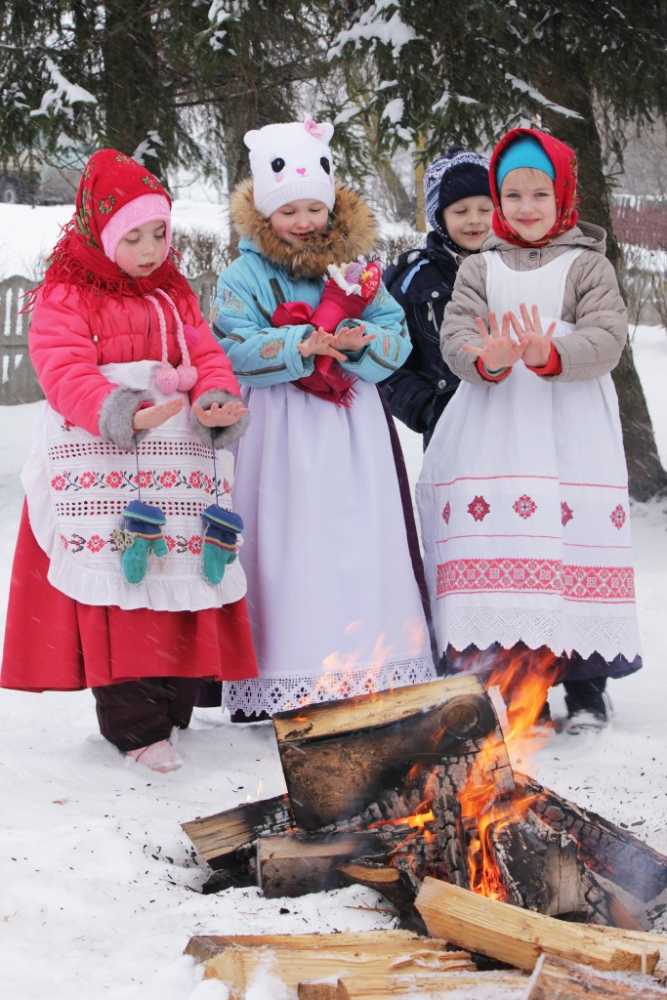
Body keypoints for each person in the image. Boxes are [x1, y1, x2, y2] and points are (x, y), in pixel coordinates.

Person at [0, 149, 258, 770]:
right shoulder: (68, 292)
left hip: (176, 464)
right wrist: (119, 408)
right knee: (122, 582)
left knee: (180, 575)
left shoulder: (174, 294)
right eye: (134, 237)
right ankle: (134, 725)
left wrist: (217, 397)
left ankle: (172, 706)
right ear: (100, 233)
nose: (150, 250)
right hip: (106, 462)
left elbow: (206, 355)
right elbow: (63, 369)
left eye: (160, 233)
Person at [416, 127, 642, 732]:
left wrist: (552, 350)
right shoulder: (480, 268)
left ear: (563, 195)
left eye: (538, 194)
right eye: (511, 196)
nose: (525, 208)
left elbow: (607, 338)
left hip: (570, 430)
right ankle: (523, 686)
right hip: (496, 429)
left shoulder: (588, 264)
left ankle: (587, 687)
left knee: (568, 555)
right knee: (510, 554)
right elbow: (457, 336)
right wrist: (485, 357)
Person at [211, 116, 435, 722]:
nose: (305, 221)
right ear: (264, 214)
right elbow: (229, 347)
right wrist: (296, 347)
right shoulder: (245, 275)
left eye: (315, 208)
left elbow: (396, 336)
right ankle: (288, 672)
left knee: (358, 540)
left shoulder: (356, 268)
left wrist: (361, 341)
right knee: (289, 543)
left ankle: (367, 666)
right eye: (289, 212)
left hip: (351, 427)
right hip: (281, 430)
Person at [383, 147, 492, 447]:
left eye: (485, 209)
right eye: (460, 211)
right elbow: (389, 362)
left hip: (517, 432)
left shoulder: (516, 268)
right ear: (439, 216)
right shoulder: (414, 280)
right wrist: (427, 408)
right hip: (451, 438)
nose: (475, 220)